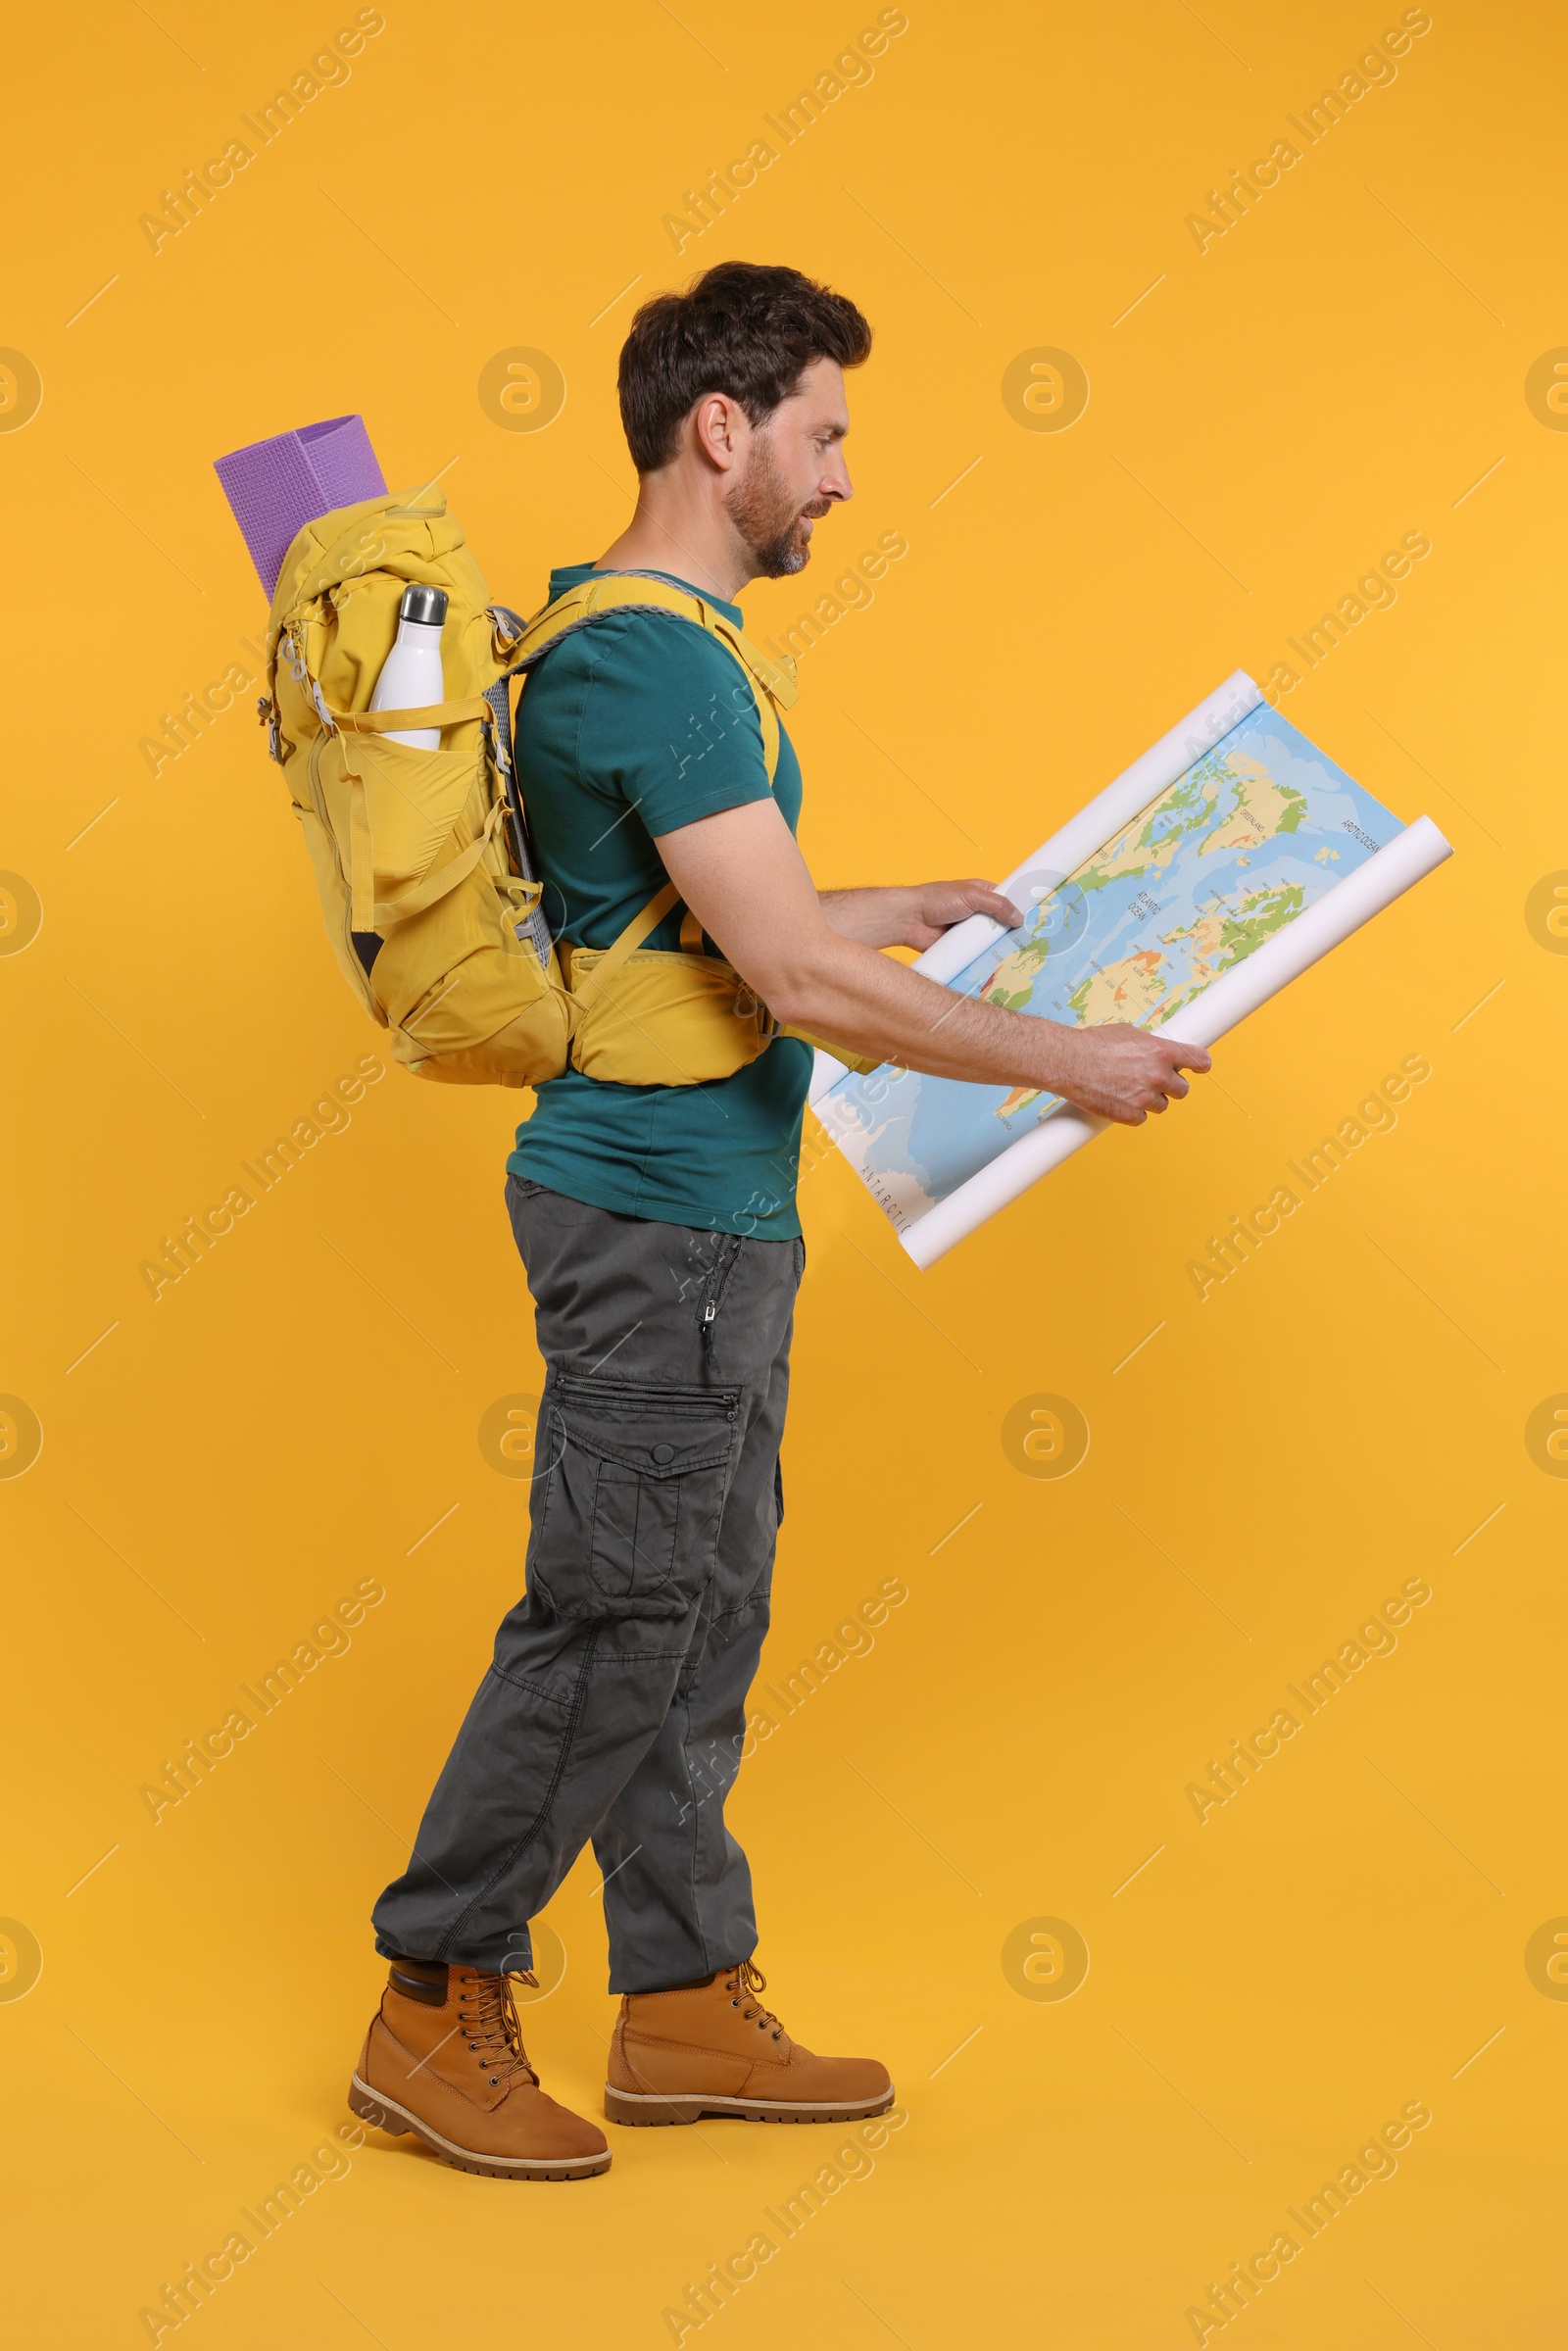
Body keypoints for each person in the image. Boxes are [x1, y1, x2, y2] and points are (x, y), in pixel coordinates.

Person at [351, 261, 1209, 2180]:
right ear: (717, 430)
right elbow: (790, 988)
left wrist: (871, 899)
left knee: (697, 1603)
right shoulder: (651, 655)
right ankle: (430, 2000)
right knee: (614, 1607)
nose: (836, 478)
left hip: (712, 1218)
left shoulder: (648, 647)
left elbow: (717, 928)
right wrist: (1060, 1060)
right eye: (821, 435)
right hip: (650, 1217)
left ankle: (674, 2005)